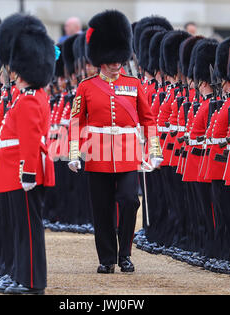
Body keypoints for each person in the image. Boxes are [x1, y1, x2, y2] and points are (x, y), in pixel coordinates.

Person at [68, 10, 162, 274]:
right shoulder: (86, 87)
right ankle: (107, 258)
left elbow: (148, 119)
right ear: (101, 59)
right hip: (97, 154)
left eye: (118, 58)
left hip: (128, 153)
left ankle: (126, 254)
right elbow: (76, 121)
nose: (115, 63)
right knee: (102, 208)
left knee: (130, 200)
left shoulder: (133, 84)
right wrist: (75, 153)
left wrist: (154, 150)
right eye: (110, 59)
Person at [0, 13, 55, 294]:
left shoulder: (30, 100)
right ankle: (21, 276)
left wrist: (28, 172)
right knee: (21, 229)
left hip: (23, 172)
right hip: (16, 170)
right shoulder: (29, 96)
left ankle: (32, 283)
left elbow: (31, 141)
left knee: (29, 230)